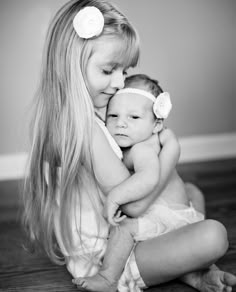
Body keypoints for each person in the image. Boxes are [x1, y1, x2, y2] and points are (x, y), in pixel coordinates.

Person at [21, 1, 236, 292]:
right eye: (109, 69)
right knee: (214, 236)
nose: (119, 82)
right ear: (70, 64)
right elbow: (133, 205)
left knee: (192, 194)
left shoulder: (80, 115)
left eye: (124, 71)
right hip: (111, 256)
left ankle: (192, 273)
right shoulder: (83, 129)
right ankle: (173, 269)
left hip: (124, 239)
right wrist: (169, 156)